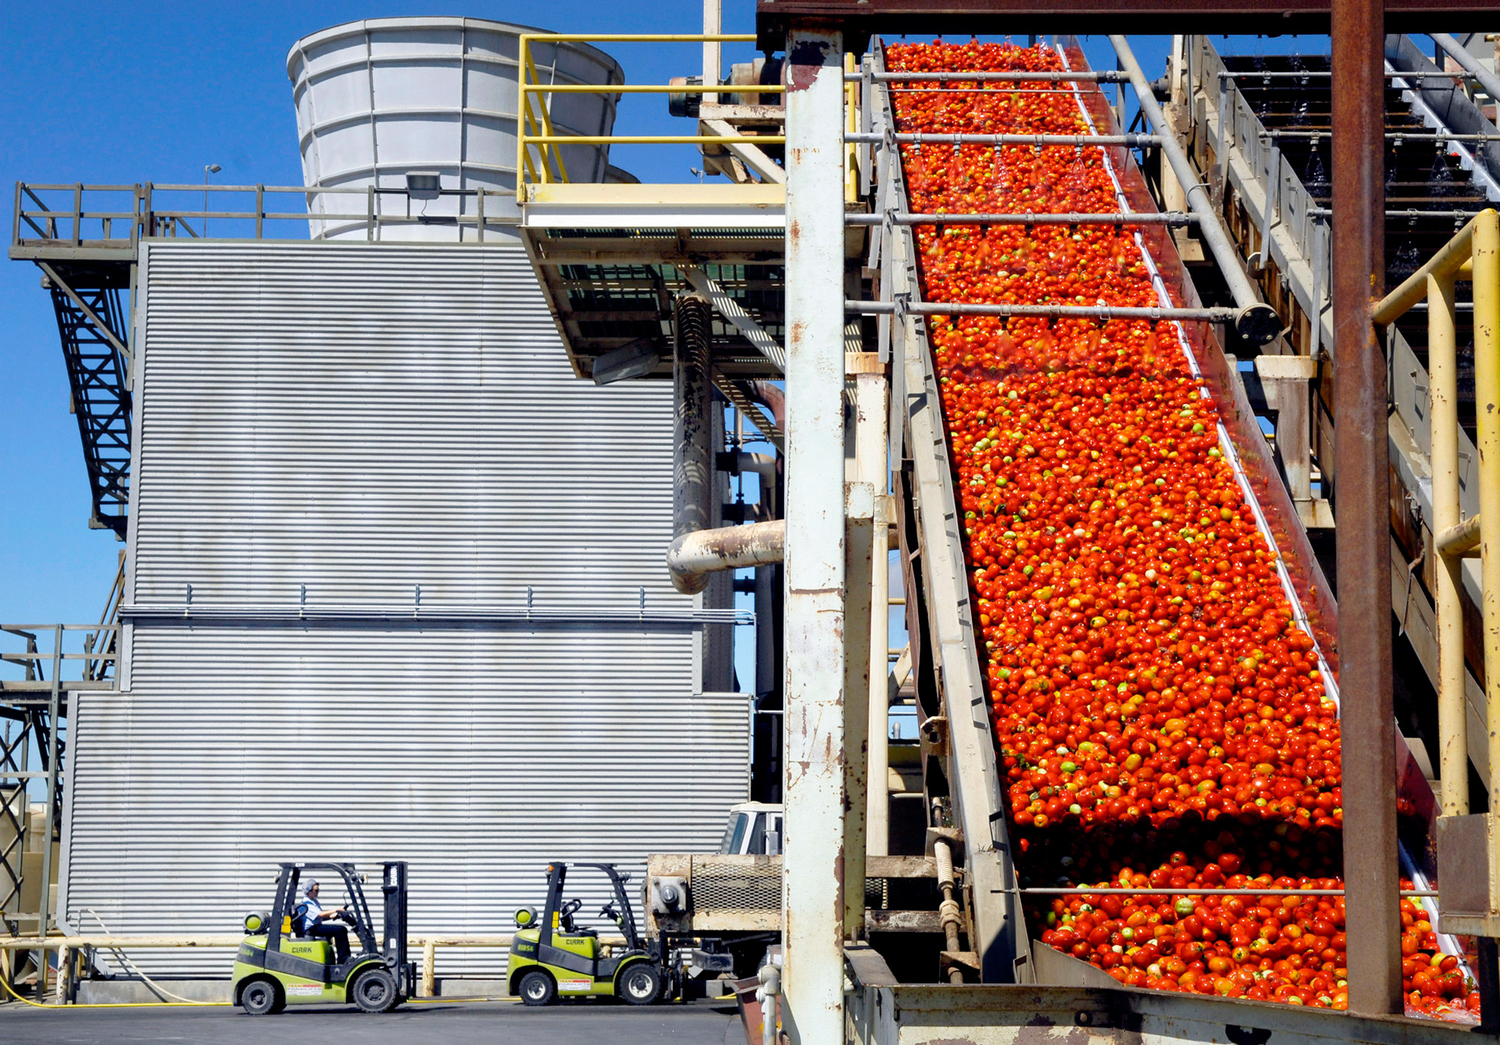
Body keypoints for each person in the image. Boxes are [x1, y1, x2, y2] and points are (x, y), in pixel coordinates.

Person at [296, 878, 351, 963]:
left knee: (341, 929)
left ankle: (344, 957)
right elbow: (320, 914)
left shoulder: (314, 902)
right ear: (309, 891)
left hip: (315, 926)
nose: (318, 892)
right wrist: (336, 909)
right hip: (311, 929)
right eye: (316, 890)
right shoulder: (306, 904)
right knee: (340, 930)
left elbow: (320, 917)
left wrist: (334, 916)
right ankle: (343, 959)